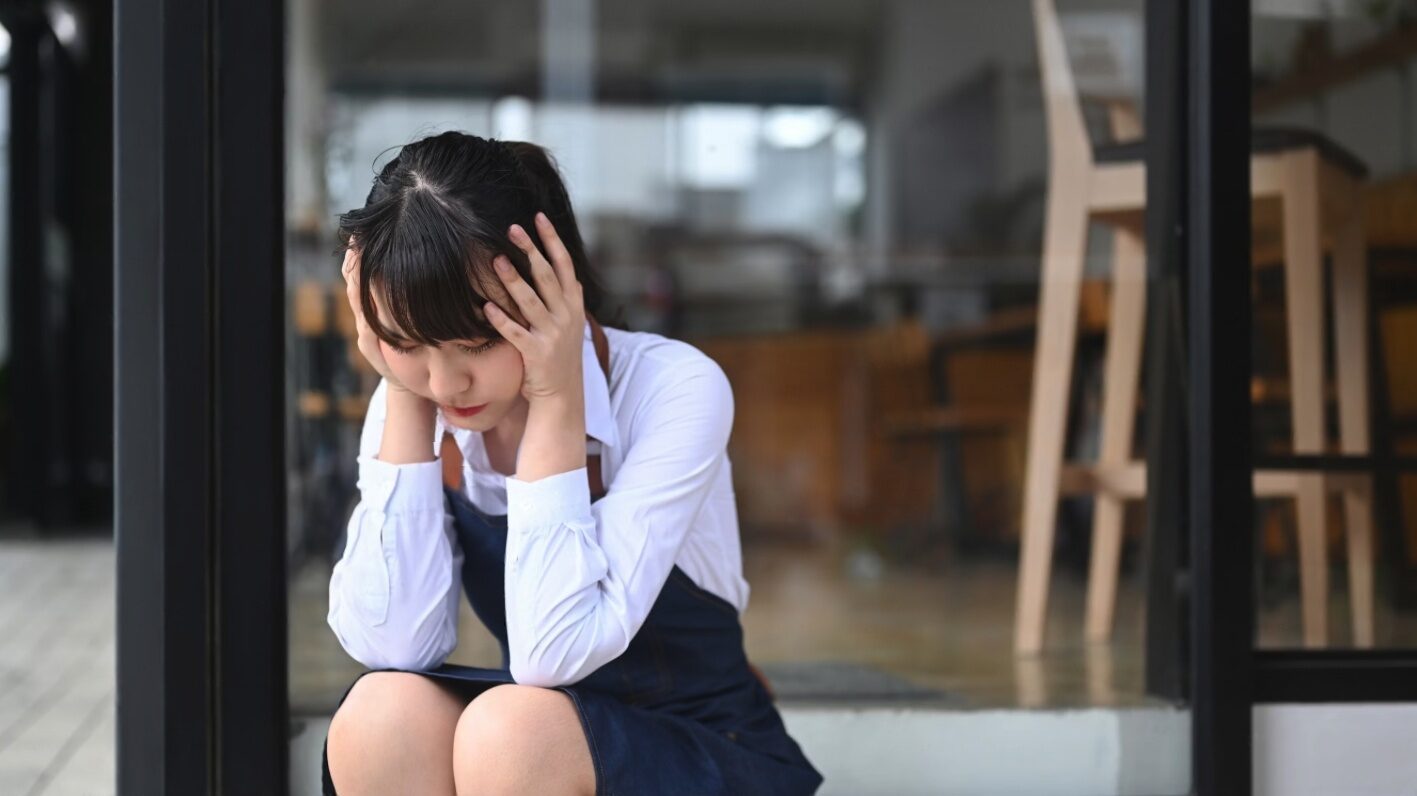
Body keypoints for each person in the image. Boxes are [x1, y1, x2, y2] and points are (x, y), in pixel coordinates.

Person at [321, 131, 824, 795]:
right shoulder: (417, 395)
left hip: (698, 746)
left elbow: (548, 656)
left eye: (474, 343)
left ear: (551, 287)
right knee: (382, 712)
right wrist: (403, 397)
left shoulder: (672, 388)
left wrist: (557, 397)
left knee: (513, 730)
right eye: (409, 342)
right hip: (535, 734)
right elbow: (392, 646)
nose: (446, 384)